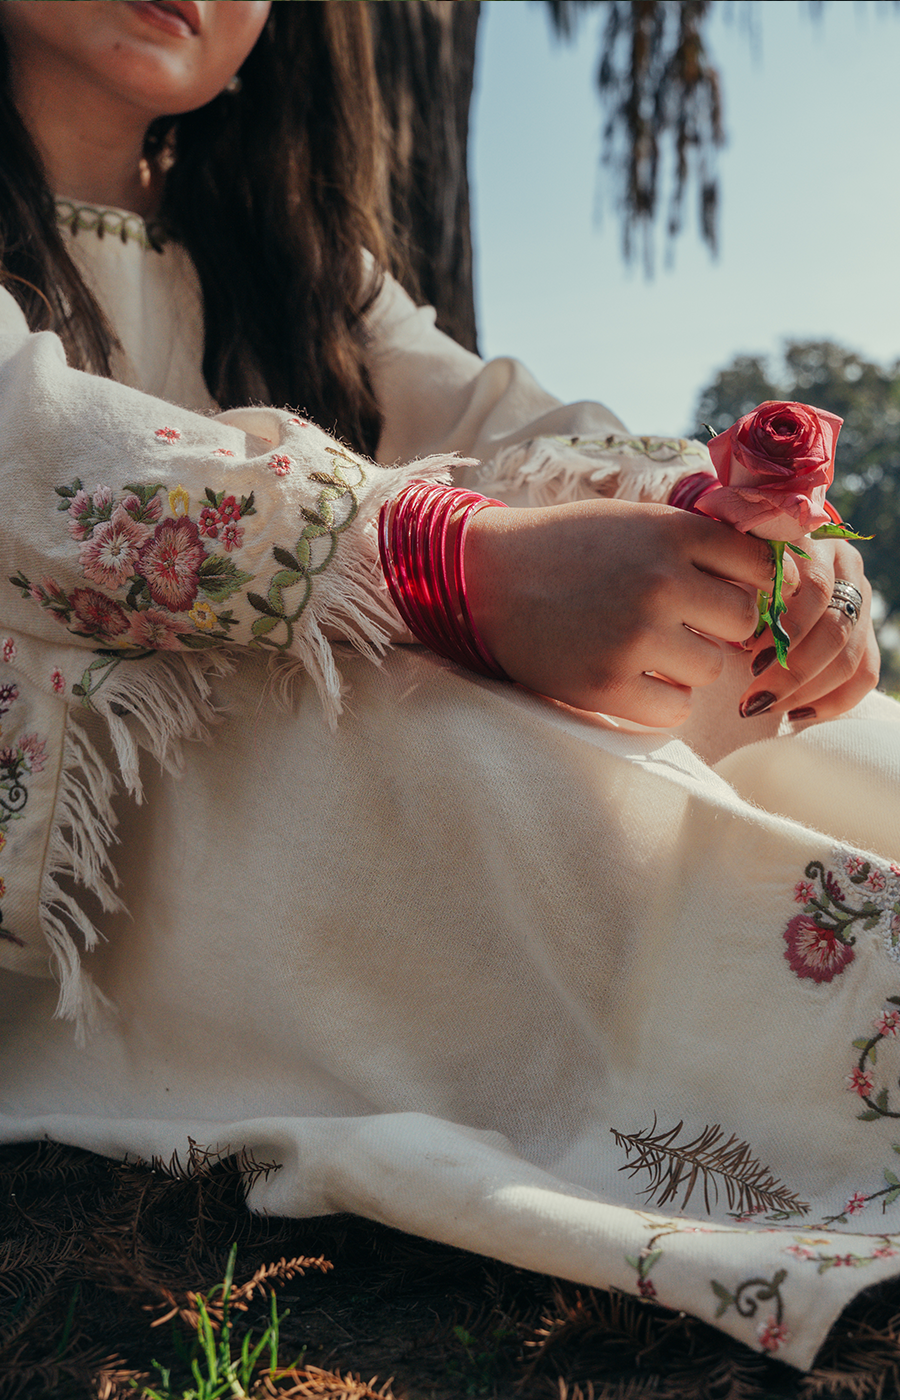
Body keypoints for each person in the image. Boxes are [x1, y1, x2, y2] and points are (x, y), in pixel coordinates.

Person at [0, 1, 896, 1371]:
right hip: (98, 825)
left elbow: (507, 424)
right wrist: (439, 562)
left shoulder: (295, 259)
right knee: (447, 745)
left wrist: (746, 538)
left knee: (775, 725)